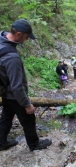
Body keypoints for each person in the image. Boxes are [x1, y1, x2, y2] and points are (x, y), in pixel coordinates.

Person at [0, 19, 52, 151]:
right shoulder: (12, 57)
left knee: (6, 117)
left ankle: (1, 142)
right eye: (26, 36)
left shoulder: (1, 38)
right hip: (14, 95)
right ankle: (34, 144)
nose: (27, 39)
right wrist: (27, 104)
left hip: (4, 91)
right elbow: (17, 87)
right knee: (28, 119)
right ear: (18, 34)